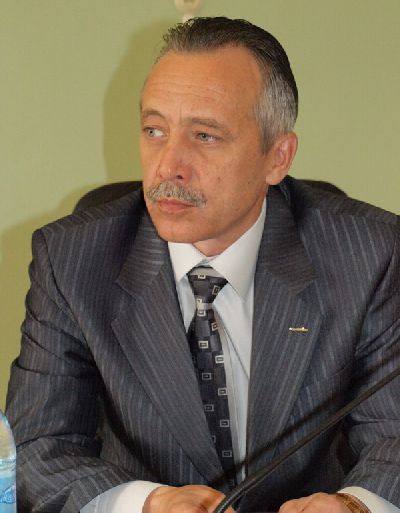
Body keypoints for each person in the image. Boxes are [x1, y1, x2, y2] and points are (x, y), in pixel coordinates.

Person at [5, 16, 400, 513]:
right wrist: (144, 504)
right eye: (154, 130)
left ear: (277, 157)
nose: (168, 166)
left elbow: (393, 434)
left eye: (205, 136)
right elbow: (38, 446)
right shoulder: (73, 260)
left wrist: (355, 505)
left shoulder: (370, 254)